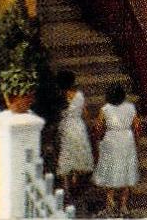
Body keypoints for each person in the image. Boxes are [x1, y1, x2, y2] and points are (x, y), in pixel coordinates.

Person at [93, 81, 140, 216]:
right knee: (126, 170)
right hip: (127, 139)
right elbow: (137, 127)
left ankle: (110, 203)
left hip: (111, 140)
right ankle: (123, 206)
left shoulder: (105, 109)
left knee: (110, 170)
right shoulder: (131, 107)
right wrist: (136, 141)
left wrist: (97, 139)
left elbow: (98, 127)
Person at [54, 66, 94, 203]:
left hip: (66, 127)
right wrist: (88, 126)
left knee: (66, 153)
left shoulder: (60, 99)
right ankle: (75, 182)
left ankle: (66, 188)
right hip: (78, 126)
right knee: (78, 153)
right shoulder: (79, 96)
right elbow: (86, 114)